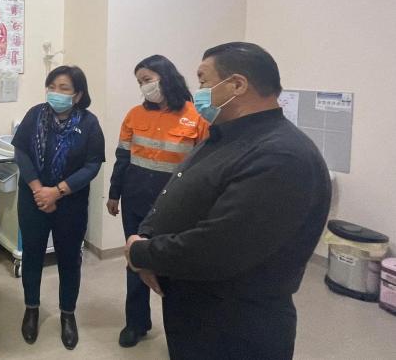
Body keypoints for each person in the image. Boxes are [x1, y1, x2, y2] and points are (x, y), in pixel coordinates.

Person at [125, 42, 332, 360]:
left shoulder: (281, 155)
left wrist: (142, 253)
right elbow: (176, 191)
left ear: (237, 85)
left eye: (204, 81)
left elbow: (220, 247)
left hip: (235, 326)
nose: (199, 92)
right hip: (195, 311)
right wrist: (148, 237)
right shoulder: (226, 136)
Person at [106, 55, 208, 348]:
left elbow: (204, 167)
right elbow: (122, 158)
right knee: (135, 260)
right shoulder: (134, 115)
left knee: (173, 267)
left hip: (175, 206)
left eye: (148, 79)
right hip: (135, 199)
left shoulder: (196, 117)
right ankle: (136, 323)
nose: (144, 87)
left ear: (166, 77)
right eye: (140, 82)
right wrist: (114, 193)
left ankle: (181, 329)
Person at [11, 65, 105, 350]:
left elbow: (92, 165)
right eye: (52, 87)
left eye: (64, 88)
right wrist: (39, 190)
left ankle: (67, 314)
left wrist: (57, 191)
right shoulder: (35, 115)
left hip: (71, 202)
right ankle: (31, 309)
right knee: (32, 255)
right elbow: (21, 151)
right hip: (33, 198)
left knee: (69, 259)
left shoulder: (89, 123)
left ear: (78, 95)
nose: (56, 93)